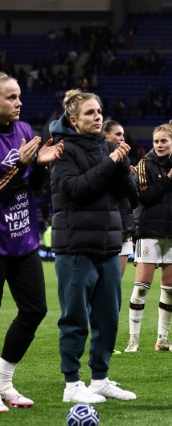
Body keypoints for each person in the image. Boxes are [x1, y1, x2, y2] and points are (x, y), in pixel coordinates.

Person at [49, 89, 136, 404]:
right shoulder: (63, 150)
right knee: (74, 319)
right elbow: (76, 191)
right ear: (73, 120)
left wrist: (121, 164)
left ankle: (100, 379)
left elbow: (131, 195)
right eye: (89, 113)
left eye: (99, 111)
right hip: (75, 248)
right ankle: (72, 384)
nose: (97, 116)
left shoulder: (109, 148)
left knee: (108, 318)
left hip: (108, 246)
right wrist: (111, 163)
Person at [0, 72, 63, 409]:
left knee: (35, 309)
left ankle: (4, 382)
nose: (19, 102)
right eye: (11, 97)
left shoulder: (24, 131)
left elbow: (31, 186)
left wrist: (40, 166)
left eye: (19, 96)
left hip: (22, 239)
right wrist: (20, 165)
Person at [124, 120, 172, 354]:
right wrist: (168, 180)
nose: (159, 145)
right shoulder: (145, 164)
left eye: (164, 141)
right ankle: (133, 340)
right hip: (149, 231)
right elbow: (143, 198)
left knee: (170, 290)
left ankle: (162, 340)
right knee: (142, 287)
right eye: (156, 141)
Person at [101, 121, 137, 280]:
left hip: (124, 225)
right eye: (118, 134)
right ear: (105, 135)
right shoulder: (97, 159)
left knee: (115, 283)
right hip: (104, 227)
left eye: (123, 135)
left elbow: (132, 197)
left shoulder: (125, 162)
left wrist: (130, 177)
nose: (122, 139)